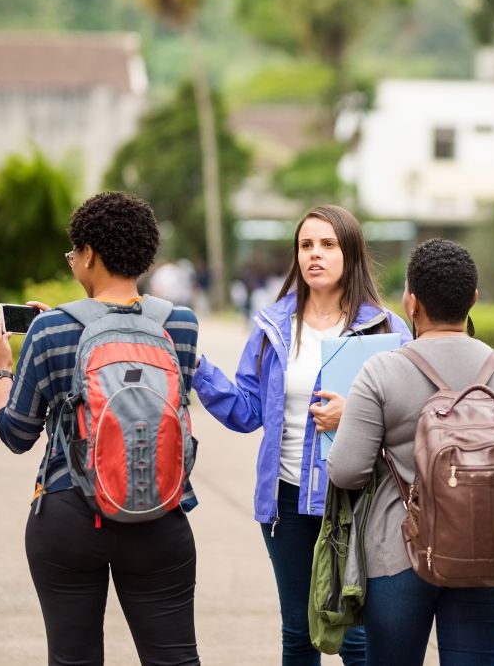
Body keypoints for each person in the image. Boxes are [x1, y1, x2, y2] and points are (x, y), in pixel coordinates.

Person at [0, 191, 201, 665]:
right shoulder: (181, 323)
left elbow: (16, 433)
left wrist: (0, 370)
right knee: (176, 659)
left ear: (90, 256)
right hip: (159, 507)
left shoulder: (50, 330)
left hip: (69, 516)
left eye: (73, 252)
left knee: (72, 659)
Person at [191, 205, 411, 665]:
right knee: (298, 631)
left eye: (328, 245)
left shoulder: (387, 329)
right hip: (286, 501)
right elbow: (247, 412)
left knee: (357, 636)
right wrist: (197, 368)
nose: (315, 255)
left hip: (357, 500)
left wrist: (356, 415)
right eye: (306, 245)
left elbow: (414, 416)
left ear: (350, 254)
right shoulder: (272, 327)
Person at [326, 238, 494, 666]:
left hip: (399, 554)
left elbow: (345, 472)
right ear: (473, 300)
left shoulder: (381, 371)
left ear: (411, 302)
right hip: (493, 552)